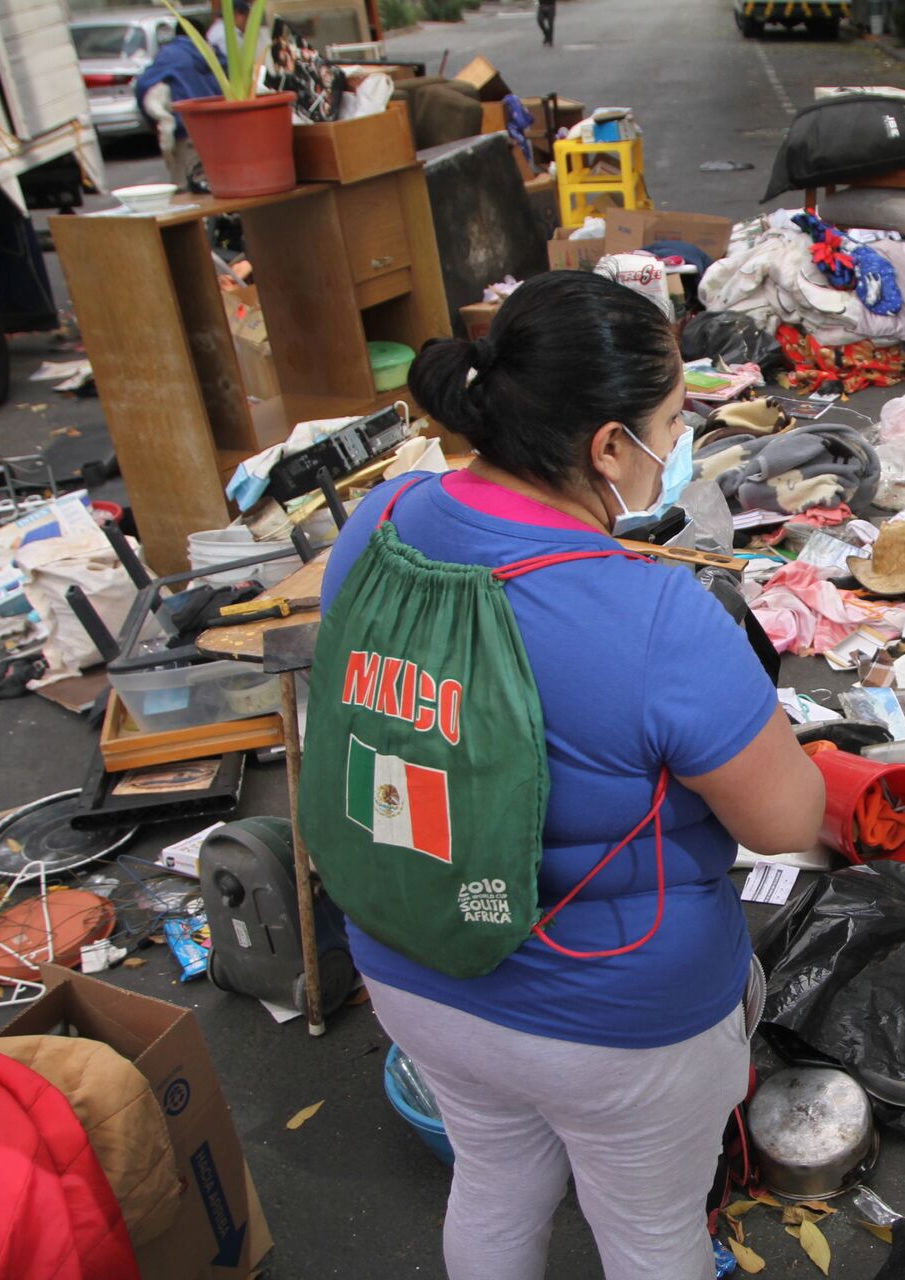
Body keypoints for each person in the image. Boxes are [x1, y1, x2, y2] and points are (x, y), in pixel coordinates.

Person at [317, 272, 826, 1280]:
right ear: (607, 444)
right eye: (674, 420)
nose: (679, 444)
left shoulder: (378, 522)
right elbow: (785, 817)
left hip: (415, 960)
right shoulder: (656, 615)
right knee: (647, 1234)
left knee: (497, 1177)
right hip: (615, 1021)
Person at [134, 28, 222, 190]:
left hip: (187, 132)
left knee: (186, 190)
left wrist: (153, 122)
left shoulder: (171, 54)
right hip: (217, 131)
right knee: (218, 187)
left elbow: (143, 85)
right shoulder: (212, 53)